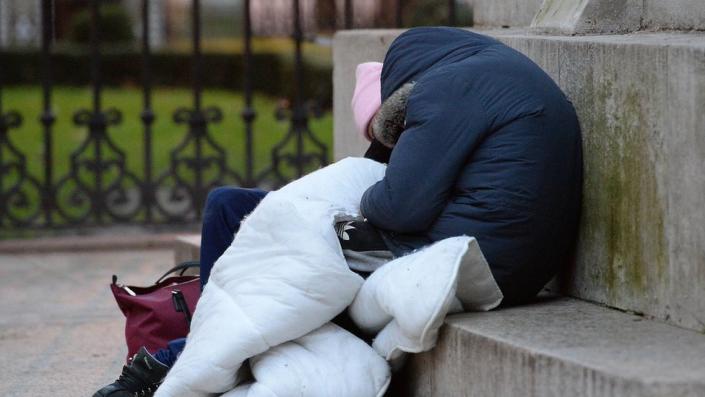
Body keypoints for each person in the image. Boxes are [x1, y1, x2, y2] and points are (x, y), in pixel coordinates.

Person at [93, 62, 389, 397]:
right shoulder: (401, 139)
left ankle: (190, 352)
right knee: (225, 204)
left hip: (364, 247)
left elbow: (400, 206)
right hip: (346, 221)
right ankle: (207, 334)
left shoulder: (437, 129)